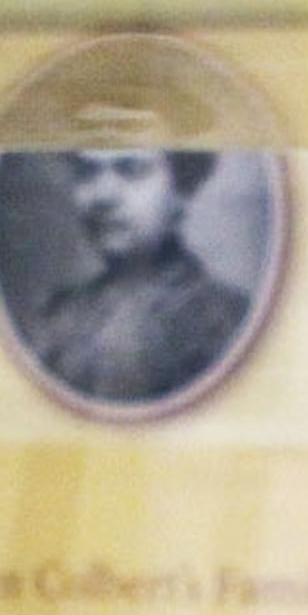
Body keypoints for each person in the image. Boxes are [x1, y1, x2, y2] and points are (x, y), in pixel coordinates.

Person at [24, 114, 256, 406]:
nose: (103, 196)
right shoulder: (53, 323)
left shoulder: (228, 324)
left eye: (131, 170)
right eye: (87, 171)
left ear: (181, 190)